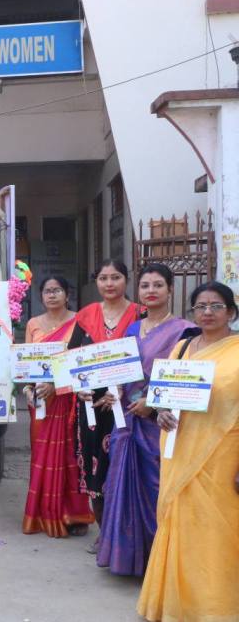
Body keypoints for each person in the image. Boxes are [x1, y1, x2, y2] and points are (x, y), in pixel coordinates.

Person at [137, 282, 239, 621]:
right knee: (177, 524)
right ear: (192, 312)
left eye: (216, 306)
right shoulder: (181, 348)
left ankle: (215, 608)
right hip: (178, 449)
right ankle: (173, 604)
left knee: (216, 530)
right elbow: (163, 396)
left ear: (231, 312)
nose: (207, 313)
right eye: (200, 306)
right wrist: (161, 410)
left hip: (223, 456)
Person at [98, 264, 192, 576]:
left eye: (158, 285)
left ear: (170, 290)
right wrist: (114, 392)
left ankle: (158, 564)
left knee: (156, 488)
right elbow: (120, 372)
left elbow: (185, 379)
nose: (150, 291)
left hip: (158, 424)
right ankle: (127, 559)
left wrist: (152, 404)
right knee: (120, 486)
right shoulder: (132, 330)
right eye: (145, 286)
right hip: (126, 419)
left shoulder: (184, 332)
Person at [69, 259, 142, 552]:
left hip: (127, 406)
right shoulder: (86, 315)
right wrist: (80, 389)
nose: (109, 284)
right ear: (96, 282)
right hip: (91, 407)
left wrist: (127, 392)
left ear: (126, 280)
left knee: (124, 468)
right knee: (95, 471)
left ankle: (127, 534)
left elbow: (147, 359)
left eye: (115, 277)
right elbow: (72, 359)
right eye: (103, 278)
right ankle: (104, 534)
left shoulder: (141, 314)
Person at [21, 275, 94, 538]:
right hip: (40, 399)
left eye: (57, 290)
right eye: (47, 291)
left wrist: (58, 386)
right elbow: (26, 362)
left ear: (67, 294)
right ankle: (42, 512)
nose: (52, 295)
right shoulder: (33, 324)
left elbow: (82, 362)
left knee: (71, 456)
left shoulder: (80, 321)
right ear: (41, 296)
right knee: (42, 454)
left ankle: (75, 515)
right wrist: (28, 387)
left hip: (69, 397)